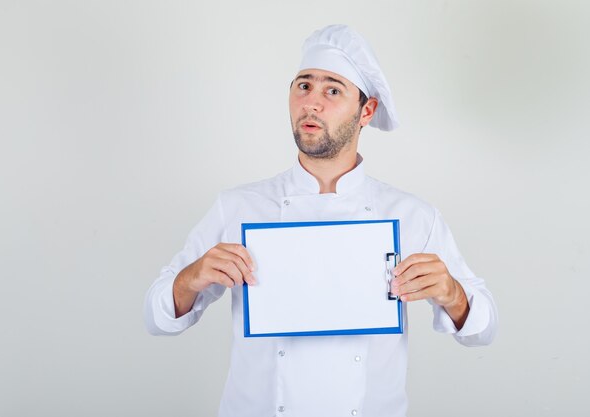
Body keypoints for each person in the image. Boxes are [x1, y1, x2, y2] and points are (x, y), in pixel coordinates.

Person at [144, 24, 497, 417]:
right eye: (303, 86)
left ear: (366, 111)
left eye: (332, 90)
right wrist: (191, 277)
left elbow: (483, 330)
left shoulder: (411, 215)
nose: (311, 103)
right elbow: (157, 317)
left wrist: (451, 293)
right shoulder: (238, 207)